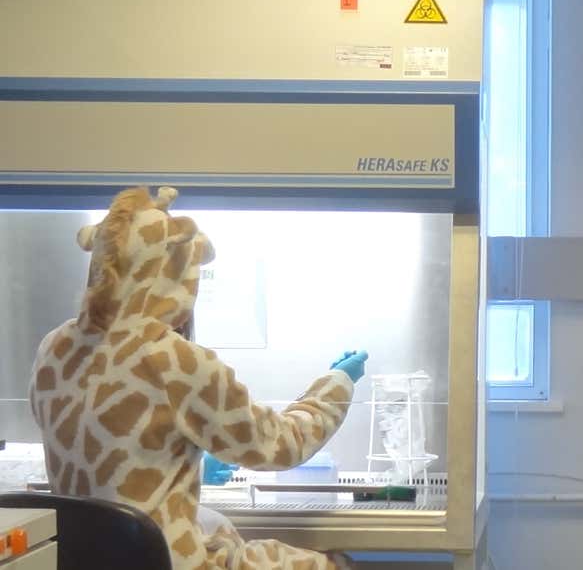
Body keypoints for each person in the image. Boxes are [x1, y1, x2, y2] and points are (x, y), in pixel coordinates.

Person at [29, 185, 369, 570]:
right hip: (168, 561)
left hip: (86, 559)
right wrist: (337, 384)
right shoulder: (170, 358)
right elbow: (280, 445)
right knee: (333, 565)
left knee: (218, 530)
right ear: (175, 275)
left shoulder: (54, 348)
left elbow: (105, 449)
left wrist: (183, 456)